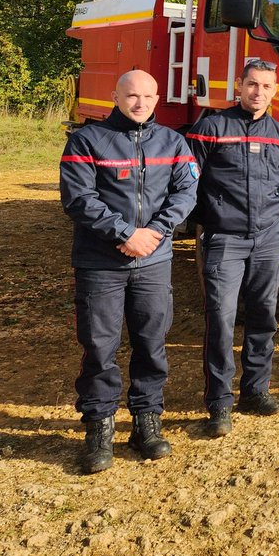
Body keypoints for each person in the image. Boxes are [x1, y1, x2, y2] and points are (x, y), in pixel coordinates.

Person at [60, 70, 198, 473]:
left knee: (151, 343)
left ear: (158, 99)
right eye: (132, 95)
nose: (140, 103)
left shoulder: (174, 142)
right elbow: (78, 198)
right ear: (115, 96)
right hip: (100, 263)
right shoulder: (86, 141)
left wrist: (153, 233)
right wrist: (124, 233)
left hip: (153, 261)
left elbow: (185, 192)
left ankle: (145, 422)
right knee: (100, 348)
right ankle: (99, 428)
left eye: (148, 96)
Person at [188, 58, 279, 437]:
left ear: (275, 90)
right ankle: (219, 402)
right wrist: (212, 218)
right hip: (224, 240)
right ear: (239, 85)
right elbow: (189, 180)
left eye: (267, 86)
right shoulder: (211, 127)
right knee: (220, 319)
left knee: (264, 315)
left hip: (267, 238)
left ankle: (255, 390)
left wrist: (269, 218)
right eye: (252, 84)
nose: (258, 92)